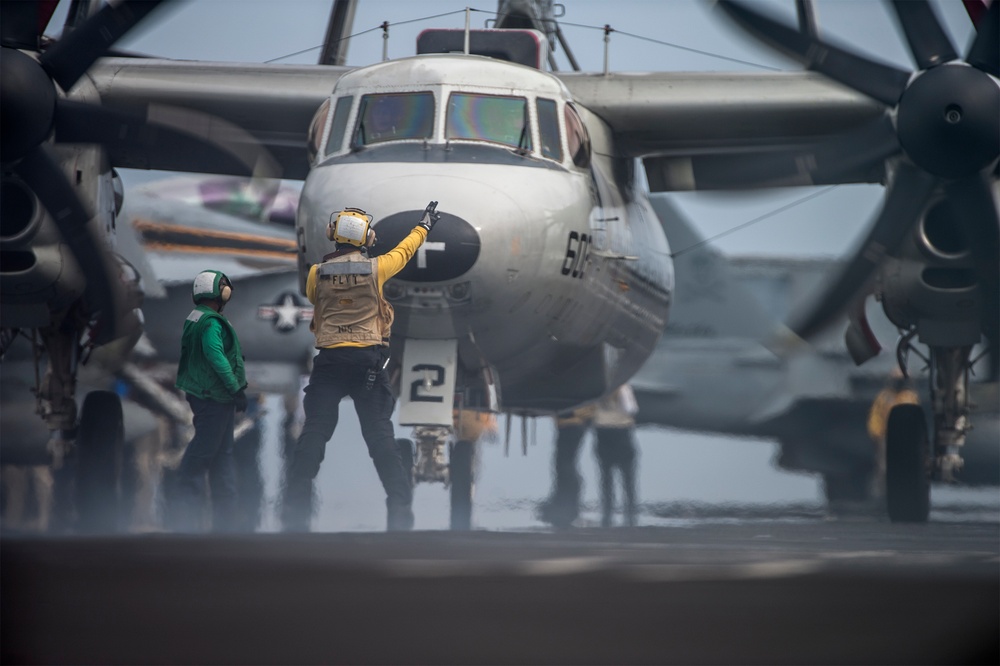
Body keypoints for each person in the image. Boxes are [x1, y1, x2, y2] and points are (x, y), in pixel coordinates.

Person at [281, 202, 439, 532]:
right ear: (366, 237)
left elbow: (313, 297)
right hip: (367, 361)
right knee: (379, 436)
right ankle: (399, 505)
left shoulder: (316, 274)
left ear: (332, 235)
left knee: (315, 432)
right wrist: (423, 227)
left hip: (329, 362)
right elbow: (405, 251)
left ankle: (294, 506)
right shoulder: (376, 269)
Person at [173, 270, 248, 532]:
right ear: (220, 293)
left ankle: (224, 527)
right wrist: (235, 388)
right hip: (214, 397)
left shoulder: (195, 318)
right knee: (201, 457)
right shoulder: (211, 324)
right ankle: (186, 525)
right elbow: (216, 356)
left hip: (208, 396)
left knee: (222, 458)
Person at [867, 367, 920, 497]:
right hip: (887, 437)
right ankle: (882, 494)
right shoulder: (885, 397)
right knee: (884, 468)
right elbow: (876, 416)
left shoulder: (910, 397)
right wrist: (878, 435)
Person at [592, 385, 639, 527]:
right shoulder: (623, 388)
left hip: (602, 433)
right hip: (622, 432)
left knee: (606, 478)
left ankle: (607, 513)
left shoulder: (596, 389)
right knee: (628, 478)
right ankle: (630, 513)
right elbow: (631, 409)